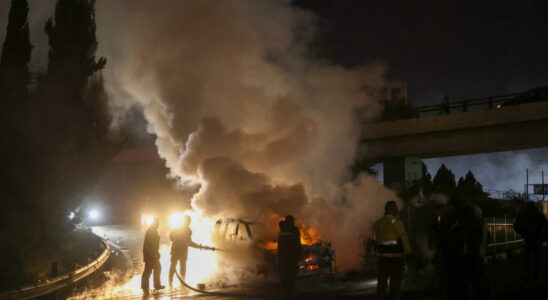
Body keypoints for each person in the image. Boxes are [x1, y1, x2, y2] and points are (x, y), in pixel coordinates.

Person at [371, 201, 411, 300]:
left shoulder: (377, 223)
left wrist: (374, 253)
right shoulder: (397, 223)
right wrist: (409, 253)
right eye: (395, 208)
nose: (397, 210)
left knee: (381, 285)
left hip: (382, 260)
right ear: (391, 209)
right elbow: (403, 239)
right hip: (396, 260)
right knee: (395, 285)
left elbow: (372, 240)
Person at [514, 201, 548, 286]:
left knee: (527, 260)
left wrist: (523, 233)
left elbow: (516, 226)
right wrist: (543, 238)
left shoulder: (523, 215)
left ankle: (527, 276)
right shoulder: (540, 215)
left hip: (528, 240)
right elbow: (547, 227)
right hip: (537, 240)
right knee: (537, 261)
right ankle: (535, 278)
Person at [168, 215, 203, 287]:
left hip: (182, 251)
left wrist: (199, 246)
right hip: (176, 250)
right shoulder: (178, 228)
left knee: (182, 267)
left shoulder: (188, 230)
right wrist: (175, 240)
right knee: (173, 266)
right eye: (187, 221)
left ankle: (182, 283)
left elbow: (189, 242)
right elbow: (171, 235)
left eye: (189, 222)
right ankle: (170, 283)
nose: (188, 223)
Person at [277, 216, 302, 300]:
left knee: (284, 276)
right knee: (291, 276)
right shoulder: (294, 230)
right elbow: (298, 244)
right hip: (291, 258)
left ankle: (285, 292)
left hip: (283, 258)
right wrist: (300, 255)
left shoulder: (282, 231)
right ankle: (288, 293)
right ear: (291, 221)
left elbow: (279, 248)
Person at [141, 217, 165, 295]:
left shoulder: (153, 230)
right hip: (150, 255)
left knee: (152, 269)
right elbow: (149, 245)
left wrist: (156, 253)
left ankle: (149, 286)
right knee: (151, 269)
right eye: (158, 223)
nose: (158, 224)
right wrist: (154, 254)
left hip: (151, 254)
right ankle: (149, 286)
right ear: (155, 223)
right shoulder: (152, 231)